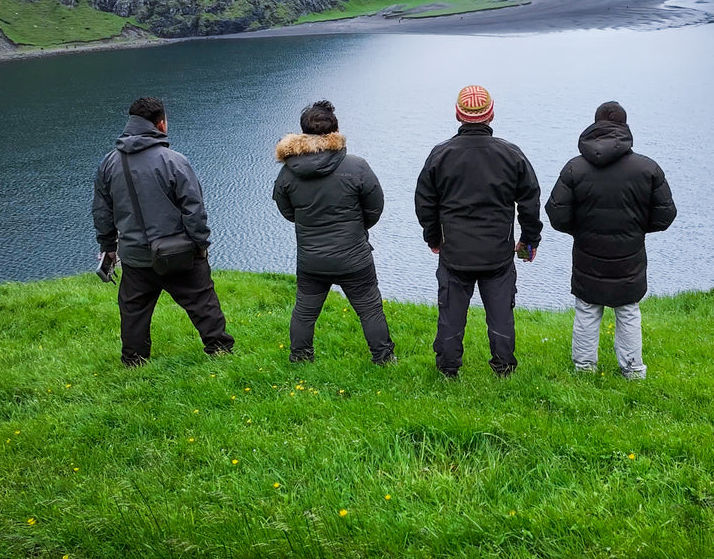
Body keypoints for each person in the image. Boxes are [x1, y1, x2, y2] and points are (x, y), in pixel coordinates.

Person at [92, 97, 234, 366]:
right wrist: (201, 245)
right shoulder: (174, 161)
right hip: (178, 252)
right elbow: (194, 209)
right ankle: (220, 351)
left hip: (134, 255)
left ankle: (134, 361)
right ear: (161, 124)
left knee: (133, 311)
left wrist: (108, 245)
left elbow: (102, 212)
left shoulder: (109, 164)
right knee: (202, 301)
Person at [415, 85, 542, 378]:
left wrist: (434, 239)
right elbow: (530, 202)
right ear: (491, 114)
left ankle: (448, 370)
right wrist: (528, 242)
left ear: (458, 115)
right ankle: (504, 369)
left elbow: (425, 203)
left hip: (454, 253)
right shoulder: (511, 154)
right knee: (500, 315)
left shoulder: (440, 154)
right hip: (498, 253)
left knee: (450, 316)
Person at [544, 101, 676, 379]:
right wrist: (637, 229)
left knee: (587, 309)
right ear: (625, 128)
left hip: (587, 252)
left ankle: (584, 368)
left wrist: (580, 230)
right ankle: (632, 370)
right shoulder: (647, 168)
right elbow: (665, 215)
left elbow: (556, 213)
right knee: (627, 310)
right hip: (629, 254)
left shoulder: (574, 168)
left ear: (595, 126)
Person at [272, 100, 396, 364]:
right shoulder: (357, 166)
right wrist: (357, 228)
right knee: (370, 309)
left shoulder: (288, 172)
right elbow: (375, 207)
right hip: (354, 256)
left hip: (312, 259)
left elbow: (287, 211)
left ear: (303, 132)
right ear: (335, 131)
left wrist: (311, 225)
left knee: (305, 311)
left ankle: (300, 358)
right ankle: (384, 358)